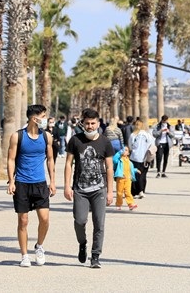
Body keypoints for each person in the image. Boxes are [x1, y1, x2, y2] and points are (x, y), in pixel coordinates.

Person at [64, 108, 115, 269]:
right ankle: (82, 243)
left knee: (99, 223)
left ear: (98, 123)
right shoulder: (75, 140)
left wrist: (110, 191)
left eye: (93, 123)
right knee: (80, 221)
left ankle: (95, 255)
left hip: (99, 190)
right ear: (82, 124)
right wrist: (67, 186)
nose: (90, 126)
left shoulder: (105, 142)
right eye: (87, 123)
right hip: (80, 189)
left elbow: (109, 167)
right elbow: (68, 164)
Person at [7, 104, 56, 268]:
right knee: (23, 220)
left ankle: (39, 246)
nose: (45, 119)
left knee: (45, 219)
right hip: (22, 183)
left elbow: (50, 159)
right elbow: (11, 159)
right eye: (43, 116)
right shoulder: (17, 136)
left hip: (40, 184)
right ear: (34, 118)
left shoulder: (46, 137)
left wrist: (53, 182)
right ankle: (24, 255)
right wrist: (11, 181)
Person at [129, 118, 154, 198]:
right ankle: (141, 190)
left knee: (134, 175)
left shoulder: (133, 135)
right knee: (143, 175)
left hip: (134, 157)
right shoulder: (147, 135)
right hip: (144, 158)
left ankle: (134, 191)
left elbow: (130, 146)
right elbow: (152, 145)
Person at [113, 146, 139, 210]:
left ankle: (131, 204)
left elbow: (131, 169)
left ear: (128, 153)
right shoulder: (119, 160)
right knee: (119, 192)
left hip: (128, 179)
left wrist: (136, 170)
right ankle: (118, 204)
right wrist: (119, 153)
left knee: (128, 192)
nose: (124, 151)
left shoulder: (130, 162)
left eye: (126, 150)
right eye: (124, 150)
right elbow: (114, 159)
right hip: (121, 178)